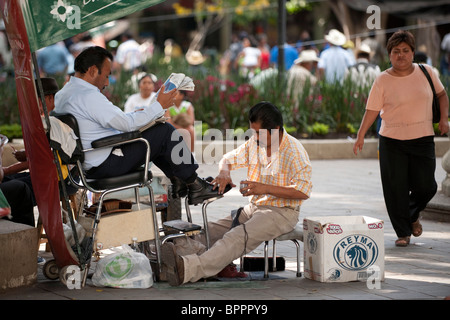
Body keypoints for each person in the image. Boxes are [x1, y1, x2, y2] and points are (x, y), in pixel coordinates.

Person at [161, 101, 313, 286]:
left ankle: (188, 269)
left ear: (276, 129)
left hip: (281, 213)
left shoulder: (295, 152)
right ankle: (162, 257)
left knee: (237, 237)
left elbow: (302, 191)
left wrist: (264, 188)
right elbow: (228, 159)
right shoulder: (256, 143)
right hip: (254, 208)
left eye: (258, 133)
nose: (254, 137)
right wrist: (224, 172)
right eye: (252, 132)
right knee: (209, 230)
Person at [54, 46, 222, 205]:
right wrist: (159, 105)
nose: (107, 83)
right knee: (164, 131)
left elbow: (112, 121)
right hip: (104, 163)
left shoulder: (64, 94)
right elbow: (126, 125)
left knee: (156, 134)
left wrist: (143, 115)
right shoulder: (88, 95)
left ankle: (182, 181)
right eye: (106, 76)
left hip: (88, 163)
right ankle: (193, 183)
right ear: (92, 71)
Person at [353, 30, 449, 247]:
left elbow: (442, 95)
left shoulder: (427, 72)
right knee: (395, 188)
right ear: (389, 55)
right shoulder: (382, 80)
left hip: (422, 137)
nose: (401, 55)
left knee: (427, 187)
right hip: (392, 140)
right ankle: (403, 232)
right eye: (396, 51)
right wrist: (360, 135)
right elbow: (372, 110)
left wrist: (444, 119)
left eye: (406, 51)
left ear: (413, 53)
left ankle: (412, 214)